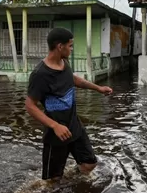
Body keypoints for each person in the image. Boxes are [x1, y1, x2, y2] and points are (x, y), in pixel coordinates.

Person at [25, 27, 113, 182]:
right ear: (60, 46)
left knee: (89, 164)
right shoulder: (40, 74)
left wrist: (98, 88)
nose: (72, 49)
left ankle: (71, 178)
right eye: (70, 45)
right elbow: (30, 106)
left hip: (74, 126)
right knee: (52, 181)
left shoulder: (64, 63)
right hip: (56, 135)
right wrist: (55, 126)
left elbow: (73, 79)